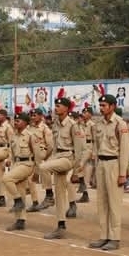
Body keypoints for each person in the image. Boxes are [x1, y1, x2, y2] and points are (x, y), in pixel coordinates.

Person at [89, 94, 129, 251]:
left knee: (114, 202)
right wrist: (95, 170)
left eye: (104, 105)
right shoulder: (98, 124)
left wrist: (122, 173)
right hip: (101, 163)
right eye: (100, 105)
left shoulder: (120, 124)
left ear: (113, 106)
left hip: (114, 163)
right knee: (102, 202)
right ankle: (104, 235)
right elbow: (96, 147)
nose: (101, 108)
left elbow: (125, 150)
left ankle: (115, 237)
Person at [42, 97, 86, 239]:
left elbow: (79, 150)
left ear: (67, 108)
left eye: (59, 106)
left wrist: (76, 171)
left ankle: (48, 196)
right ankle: (61, 225)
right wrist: (52, 157)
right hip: (57, 157)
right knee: (60, 193)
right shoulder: (55, 124)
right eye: (55, 105)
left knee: (43, 167)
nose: (56, 108)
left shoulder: (73, 125)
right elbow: (54, 146)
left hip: (68, 158)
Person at [3, 113, 39, 231]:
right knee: (20, 190)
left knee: (7, 179)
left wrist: (37, 171)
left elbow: (37, 154)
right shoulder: (14, 136)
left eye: (18, 120)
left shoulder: (30, 136)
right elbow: (12, 153)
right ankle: (20, 220)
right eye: (15, 120)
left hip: (27, 164)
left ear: (25, 122)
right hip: (17, 164)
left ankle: (18, 201)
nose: (16, 122)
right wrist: (10, 161)